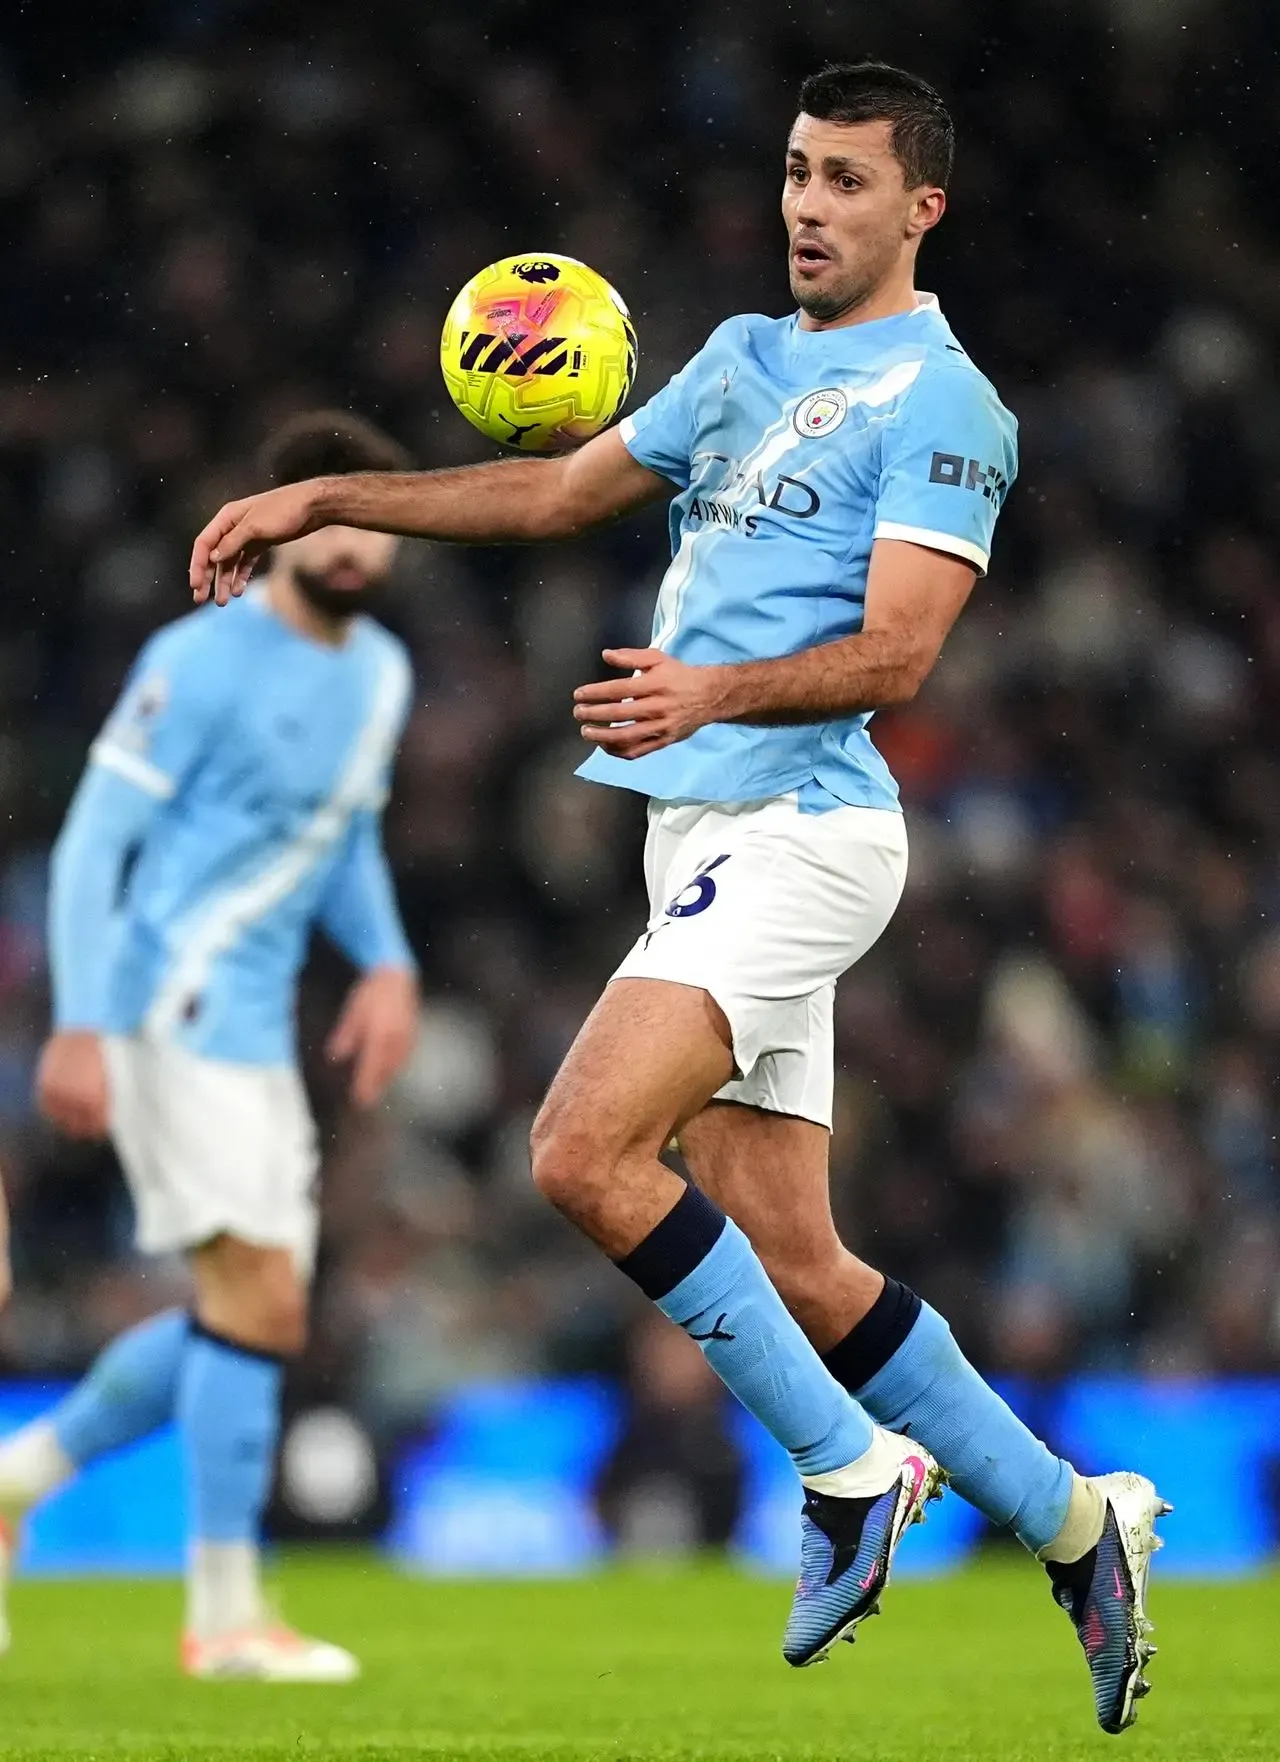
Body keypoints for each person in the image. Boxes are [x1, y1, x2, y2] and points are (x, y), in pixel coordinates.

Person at [188, 63, 1168, 1731]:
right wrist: (334, 496)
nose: (806, 205)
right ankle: (1081, 1524)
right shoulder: (736, 359)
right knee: (798, 1262)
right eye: (796, 173)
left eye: (847, 182)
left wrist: (714, 692)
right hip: (695, 834)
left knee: (576, 1150)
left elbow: (904, 651)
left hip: (806, 830)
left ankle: (853, 1473)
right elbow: (560, 493)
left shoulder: (944, 401)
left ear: (920, 208)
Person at [0, 413, 421, 1681]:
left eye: (374, 521)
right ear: (281, 522)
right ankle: (226, 1619)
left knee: (245, 1316)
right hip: (165, 1003)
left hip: (254, 1025)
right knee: (260, 1303)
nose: (354, 543)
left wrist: (389, 957)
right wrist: (78, 1017)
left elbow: (341, 840)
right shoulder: (198, 661)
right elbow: (89, 844)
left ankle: (15, 1477)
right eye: (326, 514)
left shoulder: (383, 676)